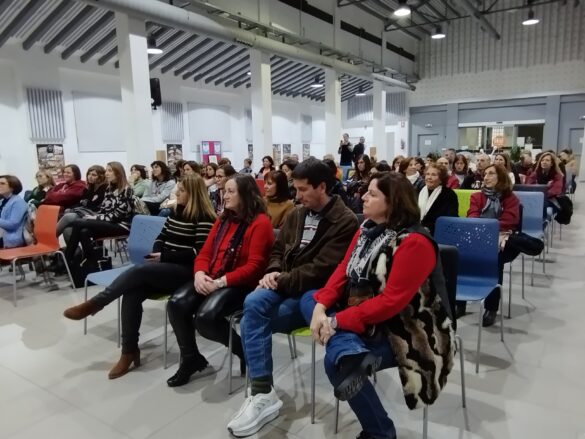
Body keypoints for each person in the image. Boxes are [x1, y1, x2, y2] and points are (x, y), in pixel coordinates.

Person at [300, 172, 454, 439]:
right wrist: (321, 308)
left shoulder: (414, 242)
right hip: (367, 314)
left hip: (407, 328)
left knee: (336, 364)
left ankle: (380, 432)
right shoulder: (366, 228)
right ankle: (350, 351)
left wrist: (336, 321)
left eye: (372, 194)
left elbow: (390, 302)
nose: (363, 197)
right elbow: (344, 269)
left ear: (393, 202)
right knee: (309, 299)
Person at [226, 158, 358, 437]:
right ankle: (263, 392)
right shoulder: (297, 214)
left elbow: (321, 269)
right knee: (252, 302)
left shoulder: (344, 220)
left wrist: (279, 279)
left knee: (252, 319)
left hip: (315, 294)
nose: (297, 196)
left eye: (302, 189)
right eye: (295, 189)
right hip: (286, 283)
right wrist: (272, 271)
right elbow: (277, 250)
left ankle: (261, 392)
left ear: (322, 187)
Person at [63, 175, 216, 379]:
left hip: (187, 271)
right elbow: (161, 236)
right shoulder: (176, 211)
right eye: (178, 189)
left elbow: (199, 253)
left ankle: (96, 303)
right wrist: (158, 252)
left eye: (181, 191)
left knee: (138, 271)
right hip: (165, 267)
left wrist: (164, 257)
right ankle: (129, 351)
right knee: (132, 292)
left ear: (194, 194)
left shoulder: (204, 217)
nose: (177, 193)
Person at [166, 175, 274, 387]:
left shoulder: (260, 223)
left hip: (241, 284)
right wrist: (199, 274)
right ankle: (190, 358)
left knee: (206, 318)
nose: (224, 196)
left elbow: (254, 267)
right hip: (213, 277)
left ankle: (244, 351)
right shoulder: (223, 219)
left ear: (246, 195)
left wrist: (220, 282)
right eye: (225, 191)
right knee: (176, 303)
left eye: (231, 191)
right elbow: (205, 253)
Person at [463, 164, 520, 327]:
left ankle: (491, 307)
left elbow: (509, 221)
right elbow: (472, 216)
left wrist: (486, 226)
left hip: (502, 238)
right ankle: (460, 303)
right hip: (478, 235)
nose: (486, 177)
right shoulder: (477, 196)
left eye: (491, 174)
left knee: (495, 260)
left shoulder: (511, 198)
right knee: (460, 256)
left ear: (500, 177)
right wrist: (485, 227)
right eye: (485, 174)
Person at [64, 162, 134, 270]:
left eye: (110, 171)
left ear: (118, 173)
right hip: (108, 222)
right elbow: (104, 210)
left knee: (78, 222)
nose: (106, 173)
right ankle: (92, 263)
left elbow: (117, 216)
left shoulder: (127, 190)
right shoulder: (109, 188)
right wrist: (96, 217)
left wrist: (95, 218)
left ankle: (67, 259)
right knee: (84, 232)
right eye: (106, 171)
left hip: (122, 225)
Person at [56, 165, 108, 240]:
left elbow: (94, 206)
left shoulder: (105, 189)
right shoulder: (88, 188)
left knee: (69, 216)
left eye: (94, 175)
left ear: (101, 177)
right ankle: (75, 249)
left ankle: (50, 237)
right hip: (85, 214)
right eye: (89, 174)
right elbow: (81, 203)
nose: (90, 177)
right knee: (67, 230)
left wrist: (83, 206)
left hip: (96, 215)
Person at [418, 164, 459, 235]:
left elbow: (450, 218)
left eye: (433, 175)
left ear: (441, 179)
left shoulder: (449, 194)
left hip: (438, 232)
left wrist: (429, 229)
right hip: (417, 229)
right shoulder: (418, 191)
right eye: (427, 174)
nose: (429, 177)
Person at [0, 175, 28, 249]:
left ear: (12, 187)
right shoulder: (3, 201)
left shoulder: (18, 202)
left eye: (2, 183)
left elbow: (12, 225)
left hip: (10, 239)